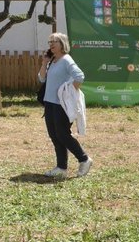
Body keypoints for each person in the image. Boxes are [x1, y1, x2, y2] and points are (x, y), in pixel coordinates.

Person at [38, 33, 92, 179]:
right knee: (54, 135)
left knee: (63, 134)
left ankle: (84, 159)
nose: (51, 44)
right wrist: (44, 63)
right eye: (49, 42)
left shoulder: (66, 60)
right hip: (49, 103)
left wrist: (69, 93)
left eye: (54, 41)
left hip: (61, 105)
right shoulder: (53, 61)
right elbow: (41, 78)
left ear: (62, 43)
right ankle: (61, 168)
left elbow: (79, 76)